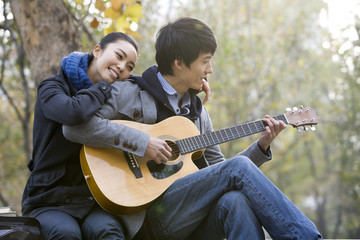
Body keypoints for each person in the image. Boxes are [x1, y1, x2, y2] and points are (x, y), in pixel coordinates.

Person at [63, 17, 322, 240]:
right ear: (179, 63)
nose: (210, 69)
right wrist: (143, 143)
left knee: (236, 201)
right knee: (238, 171)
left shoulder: (198, 114)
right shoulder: (128, 92)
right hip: (146, 215)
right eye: (205, 61)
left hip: (189, 217)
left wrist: (262, 146)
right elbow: (74, 129)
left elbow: (219, 173)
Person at [21, 32, 140, 239]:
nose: (122, 68)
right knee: (67, 233)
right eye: (119, 56)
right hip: (48, 199)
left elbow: (149, 86)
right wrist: (103, 86)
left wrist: (192, 87)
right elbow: (73, 112)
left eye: (130, 67)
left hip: (91, 200)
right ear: (97, 50)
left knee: (108, 232)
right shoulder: (52, 87)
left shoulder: (110, 97)